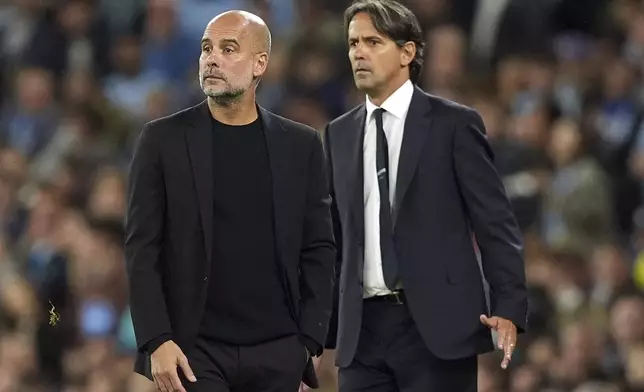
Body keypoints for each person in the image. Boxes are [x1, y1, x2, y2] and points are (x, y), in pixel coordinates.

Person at [124, 10, 336, 392]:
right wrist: (156, 339)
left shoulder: (301, 145)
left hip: (279, 350)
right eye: (207, 48)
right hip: (193, 352)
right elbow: (142, 247)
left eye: (228, 48)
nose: (212, 58)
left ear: (260, 64)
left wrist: (308, 341)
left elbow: (319, 246)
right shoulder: (161, 140)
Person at [322, 1, 529, 391]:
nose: (358, 53)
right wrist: (314, 329)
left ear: (407, 52)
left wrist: (508, 305)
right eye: (352, 43)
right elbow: (331, 242)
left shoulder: (454, 124)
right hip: (362, 333)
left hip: (438, 328)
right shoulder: (338, 134)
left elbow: (495, 224)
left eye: (372, 42)